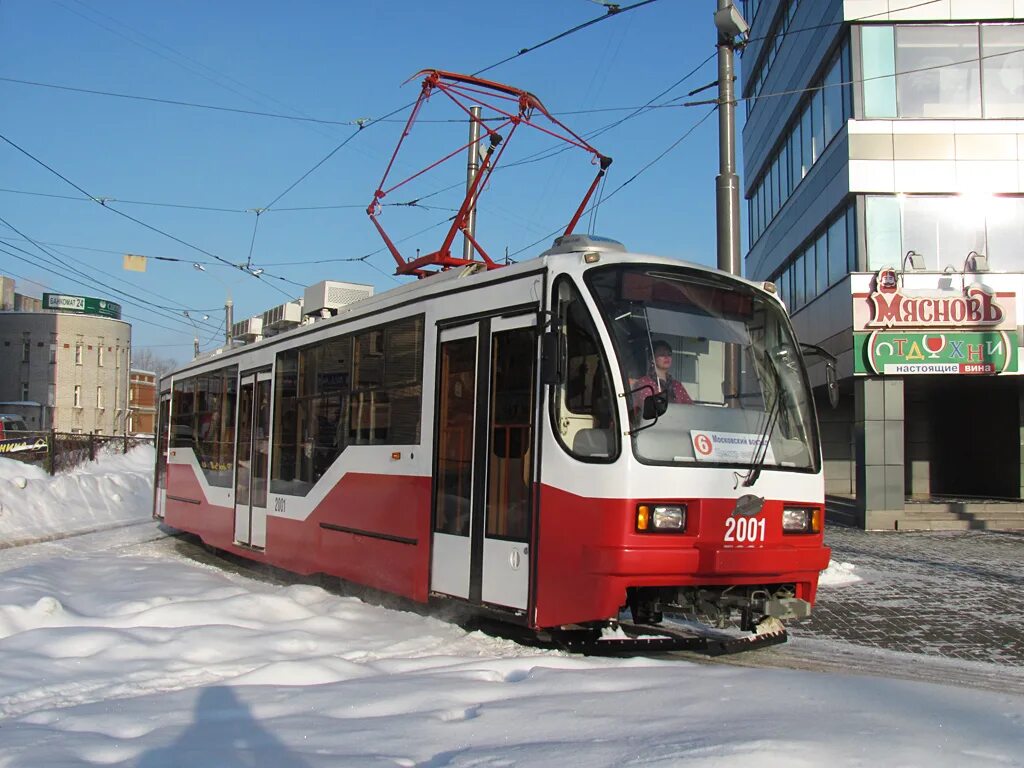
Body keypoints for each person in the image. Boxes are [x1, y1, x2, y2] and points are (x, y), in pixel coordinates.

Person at [631, 340, 693, 411]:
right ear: (652, 359)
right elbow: (646, 410)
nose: (666, 357)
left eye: (669, 354)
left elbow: (690, 409)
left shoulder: (677, 385)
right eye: (662, 354)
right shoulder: (644, 383)